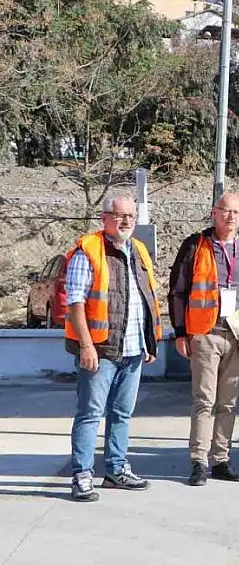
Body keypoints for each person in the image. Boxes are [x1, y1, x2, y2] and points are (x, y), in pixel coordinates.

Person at [65, 193, 162, 502]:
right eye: (119, 216)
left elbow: (146, 300)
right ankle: (82, 474)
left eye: (131, 217)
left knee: (122, 413)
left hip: (133, 349)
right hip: (101, 350)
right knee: (90, 414)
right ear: (104, 218)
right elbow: (75, 303)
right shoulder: (89, 251)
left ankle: (116, 469)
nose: (125, 222)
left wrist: (147, 341)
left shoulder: (139, 251)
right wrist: (86, 346)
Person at [169, 192, 239, 487]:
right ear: (214, 212)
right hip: (205, 333)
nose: (231, 217)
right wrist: (181, 332)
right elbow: (178, 290)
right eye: (226, 211)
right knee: (204, 400)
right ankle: (199, 461)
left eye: (237, 212)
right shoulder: (197, 245)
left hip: (238, 335)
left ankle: (221, 459)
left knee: (229, 402)